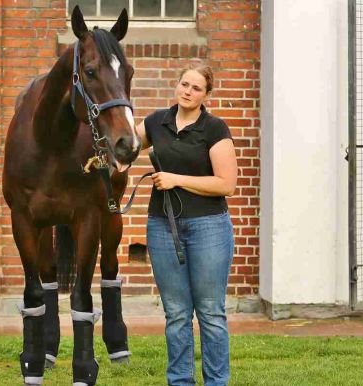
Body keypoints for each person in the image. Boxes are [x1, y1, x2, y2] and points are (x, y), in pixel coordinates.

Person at [135, 63, 238, 386]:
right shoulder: (156, 122)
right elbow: (123, 147)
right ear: (176, 86)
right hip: (163, 227)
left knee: (210, 312)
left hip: (209, 228)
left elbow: (226, 185)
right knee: (177, 313)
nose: (187, 91)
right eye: (184, 84)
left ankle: (216, 382)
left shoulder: (214, 129)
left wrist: (175, 179)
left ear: (206, 95)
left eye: (195, 88)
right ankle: (180, 381)